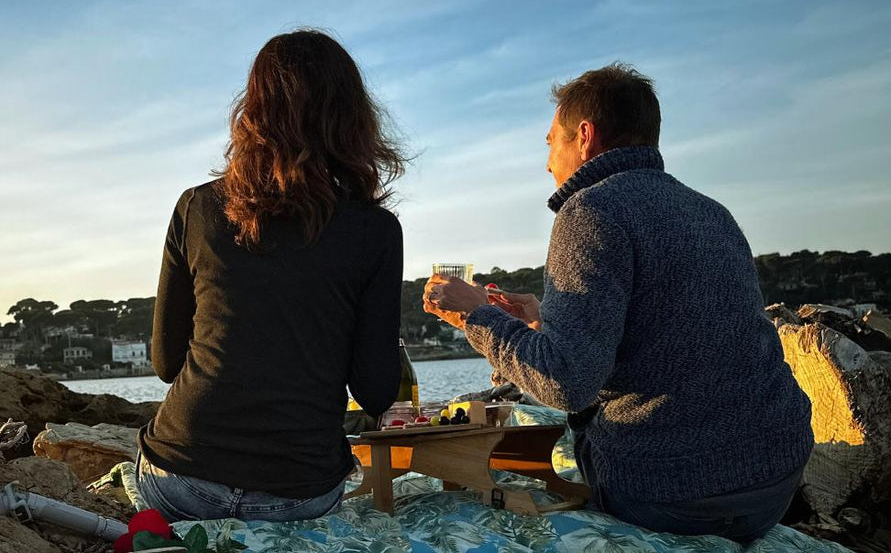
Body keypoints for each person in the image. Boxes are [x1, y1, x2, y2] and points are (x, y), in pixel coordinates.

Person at [424, 64, 812, 542]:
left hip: (673, 492)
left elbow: (566, 385)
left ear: (583, 136)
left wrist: (474, 315)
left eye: (550, 142)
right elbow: (671, 334)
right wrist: (544, 320)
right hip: (774, 480)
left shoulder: (589, 210)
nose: (547, 162)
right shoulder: (712, 212)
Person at [137, 30, 407, 522]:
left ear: (253, 112)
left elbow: (165, 362)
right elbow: (374, 391)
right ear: (351, 119)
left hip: (181, 478)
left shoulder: (197, 207)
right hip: (299, 492)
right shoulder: (376, 231)